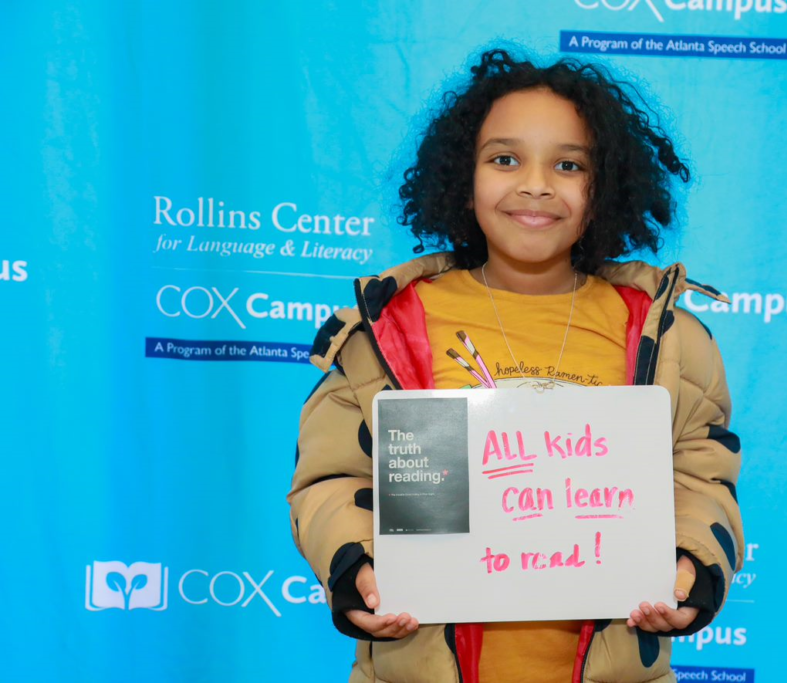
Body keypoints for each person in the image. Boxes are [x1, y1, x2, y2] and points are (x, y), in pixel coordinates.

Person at [288, 49, 743, 683]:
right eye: (505, 159)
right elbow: (334, 479)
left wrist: (692, 566)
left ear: (604, 188)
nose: (535, 184)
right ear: (462, 178)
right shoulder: (392, 328)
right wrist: (357, 566)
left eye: (569, 165)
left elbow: (700, 479)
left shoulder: (665, 337)